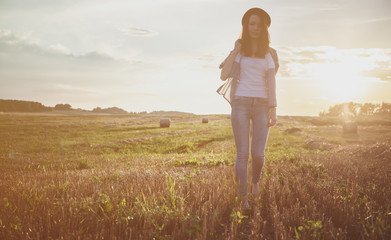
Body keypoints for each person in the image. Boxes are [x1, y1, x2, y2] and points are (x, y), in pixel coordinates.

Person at [219, 8, 279, 210]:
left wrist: (273, 108)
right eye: (251, 24)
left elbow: (272, 82)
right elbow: (223, 75)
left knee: (258, 154)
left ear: (264, 28)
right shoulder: (239, 53)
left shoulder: (270, 54)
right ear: (246, 26)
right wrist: (236, 50)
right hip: (241, 103)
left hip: (263, 105)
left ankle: (255, 181)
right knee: (242, 154)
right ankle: (243, 198)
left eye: (259, 25)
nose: (255, 28)